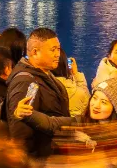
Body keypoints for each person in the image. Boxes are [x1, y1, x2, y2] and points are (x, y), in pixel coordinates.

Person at [6, 28, 70, 157]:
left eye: (58, 49)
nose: (57, 54)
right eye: (53, 50)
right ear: (35, 52)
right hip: (41, 159)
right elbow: (20, 130)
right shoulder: (27, 82)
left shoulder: (45, 75)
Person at [52, 48, 89, 115]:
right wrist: (76, 74)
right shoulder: (79, 91)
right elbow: (87, 103)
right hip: (73, 121)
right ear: (65, 65)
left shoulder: (43, 86)